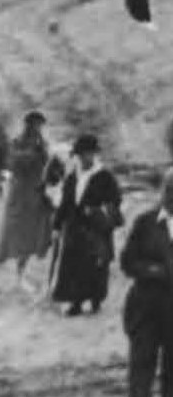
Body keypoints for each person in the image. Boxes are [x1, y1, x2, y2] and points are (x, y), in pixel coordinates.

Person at [118, 168, 173, 397]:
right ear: (163, 192)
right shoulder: (145, 223)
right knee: (141, 369)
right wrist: (152, 270)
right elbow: (127, 261)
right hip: (145, 308)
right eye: (170, 190)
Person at [0, 110, 61, 296]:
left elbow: (49, 169)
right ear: (27, 124)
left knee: (29, 238)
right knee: (9, 235)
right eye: (34, 124)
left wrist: (49, 161)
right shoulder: (17, 142)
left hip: (35, 195)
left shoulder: (43, 145)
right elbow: (12, 163)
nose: (37, 128)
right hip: (18, 195)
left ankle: (19, 278)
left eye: (39, 125)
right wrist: (33, 153)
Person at [52, 134, 122, 317]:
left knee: (96, 264)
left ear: (95, 154)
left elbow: (115, 200)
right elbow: (65, 203)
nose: (85, 158)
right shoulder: (72, 177)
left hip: (96, 228)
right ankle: (75, 302)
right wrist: (57, 226)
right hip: (75, 227)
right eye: (82, 154)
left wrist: (98, 210)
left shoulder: (104, 176)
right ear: (78, 156)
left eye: (89, 154)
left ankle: (95, 300)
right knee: (74, 264)